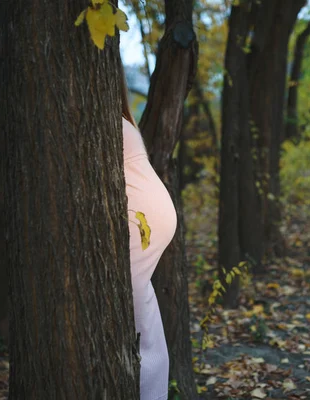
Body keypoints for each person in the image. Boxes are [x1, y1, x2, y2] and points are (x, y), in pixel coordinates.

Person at [120, 62, 177, 400]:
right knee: (142, 311)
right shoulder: (121, 118)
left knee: (137, 314)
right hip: (148, 220)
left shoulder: (102, 120)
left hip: (141, 223)